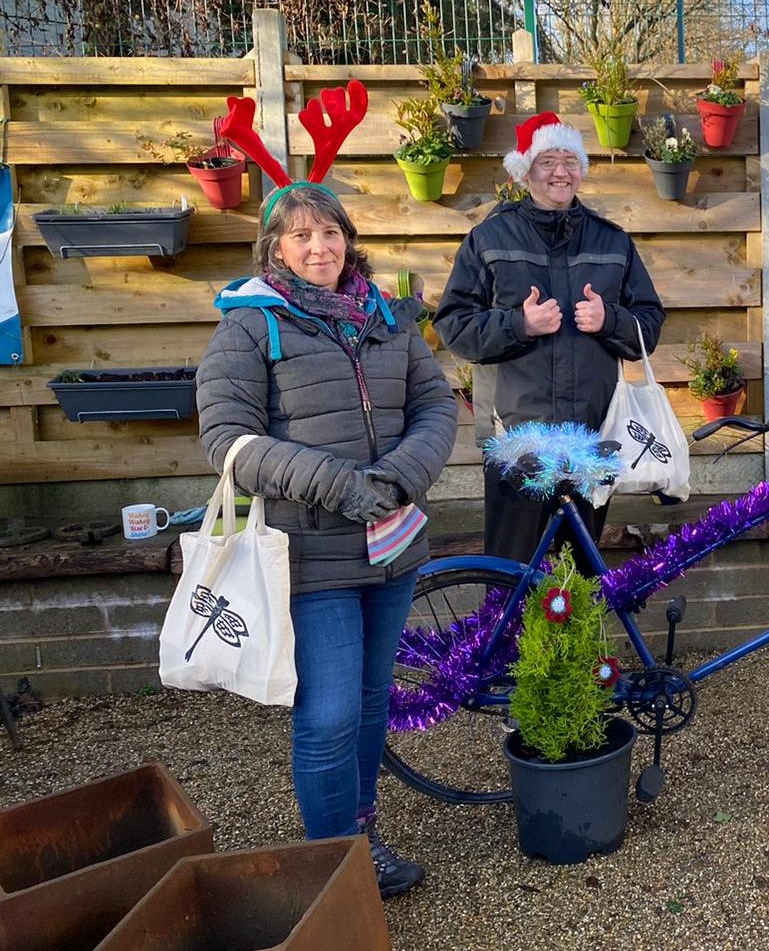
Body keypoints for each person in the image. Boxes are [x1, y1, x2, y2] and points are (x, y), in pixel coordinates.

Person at [197, 183, 458, 899]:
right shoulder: (250, 327)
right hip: (311, 555)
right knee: (330, 714)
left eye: (331, 232)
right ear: (275, 248)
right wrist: (340, 485)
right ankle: (332, 869)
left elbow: (436, 406)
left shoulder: (387, 317)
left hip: (392, 544)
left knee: (372, 702)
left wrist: (399, 478)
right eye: (302, 235)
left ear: (349, 238)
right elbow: (227, 440)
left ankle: (361, 839)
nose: (320, 247)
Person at [434, 112, 665, 562]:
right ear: (525, 171)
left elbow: (649, 325)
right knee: (510, 574)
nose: (561, 172)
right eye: (547, 161)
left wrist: (610, 320)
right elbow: (454, 325)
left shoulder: (612, 241)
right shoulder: (488, 239)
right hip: (518, 442)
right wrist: (519, 325)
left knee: (582, 574)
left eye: (570, 160)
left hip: (592, 438)